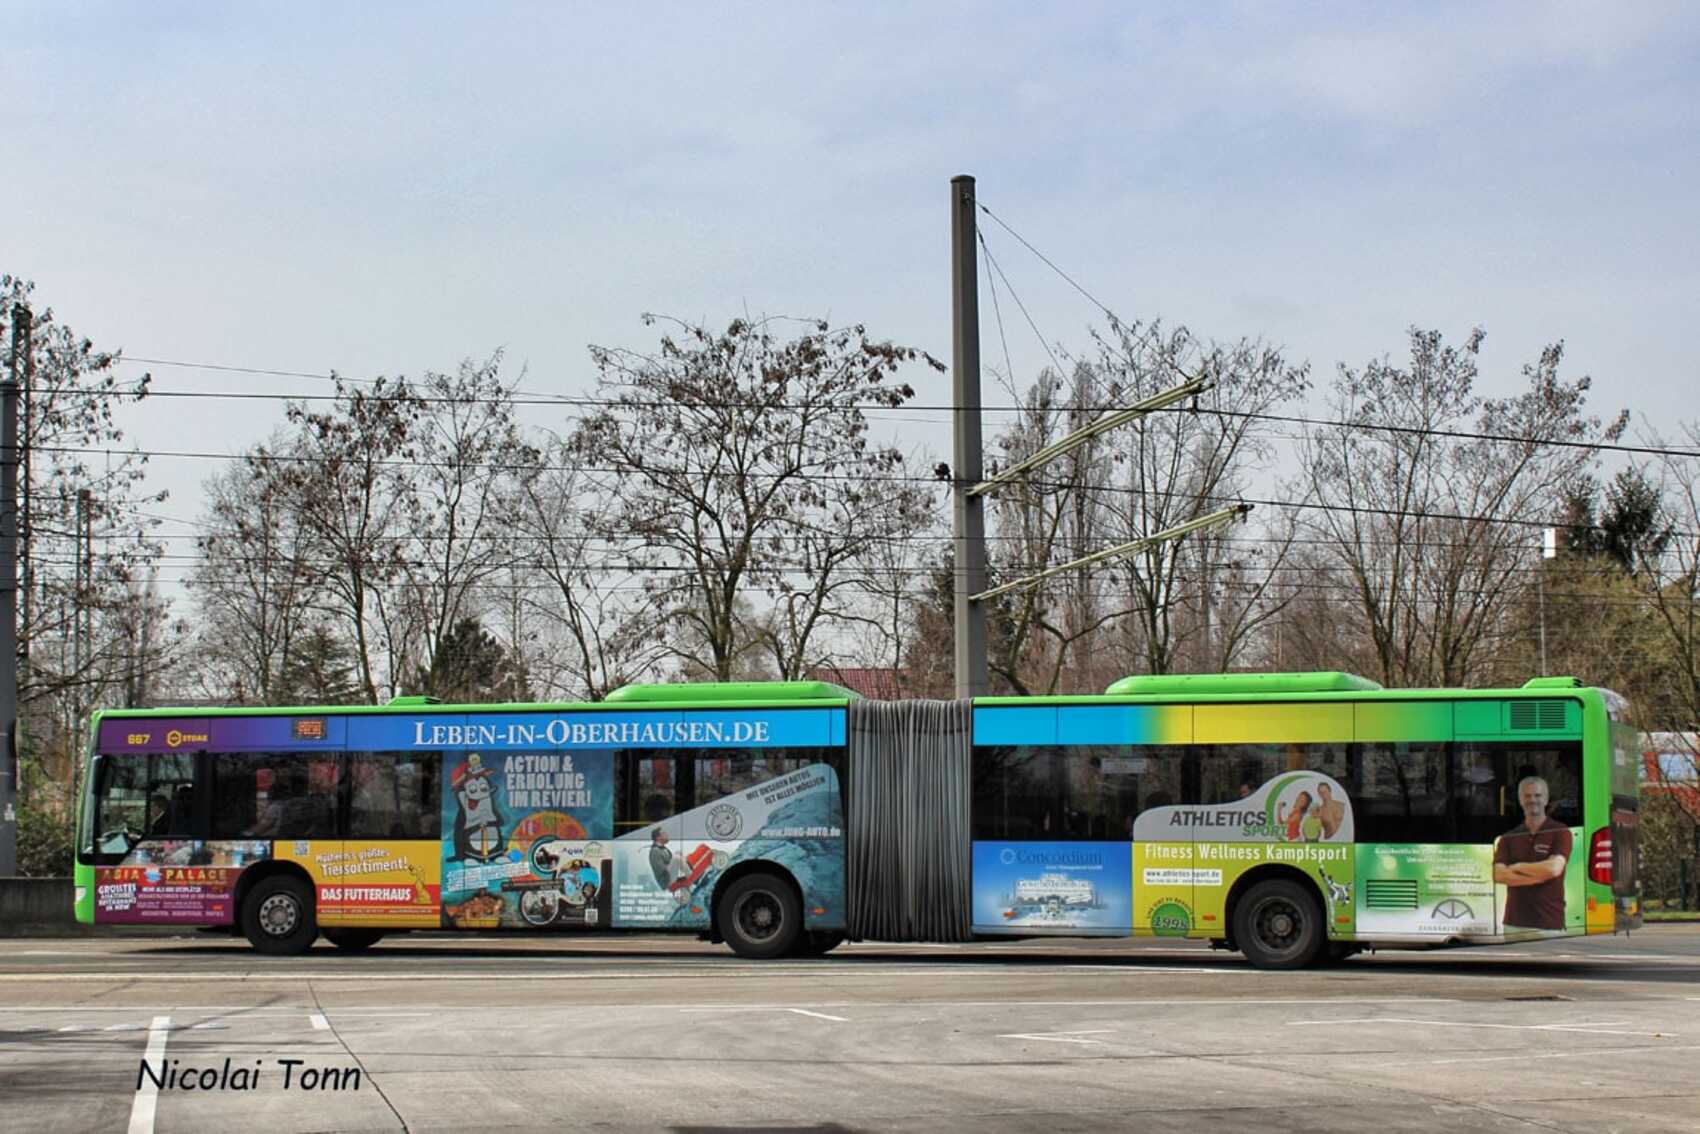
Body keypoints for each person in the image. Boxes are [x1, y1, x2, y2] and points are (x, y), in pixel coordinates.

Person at [1493, 775, 1572, 932]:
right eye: (1527, 796)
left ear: (1546, 799)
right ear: (1520, 800)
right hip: (1514, 923)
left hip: (1549, 923)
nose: (1532, 800)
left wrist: (1518, 867)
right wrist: (1539, 876)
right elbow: (1498, 875)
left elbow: (1554, 869)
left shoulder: (1560, 831)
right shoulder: (1508, 837)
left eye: (1538, 795)